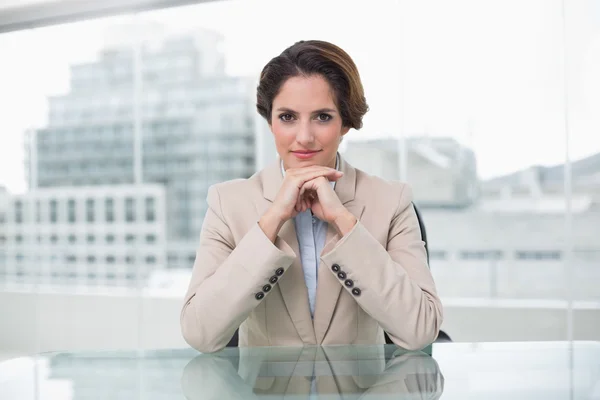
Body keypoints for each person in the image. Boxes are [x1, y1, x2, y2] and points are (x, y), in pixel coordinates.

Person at [180, 40, 443, 353]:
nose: (304, 137)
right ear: (270, 121)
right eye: (288, 117)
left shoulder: (391, 201)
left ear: (346, 122)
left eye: (322, 117)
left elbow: (421, 330)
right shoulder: (228, 203)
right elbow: (200, 332)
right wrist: (271, 220)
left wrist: (344, 222)